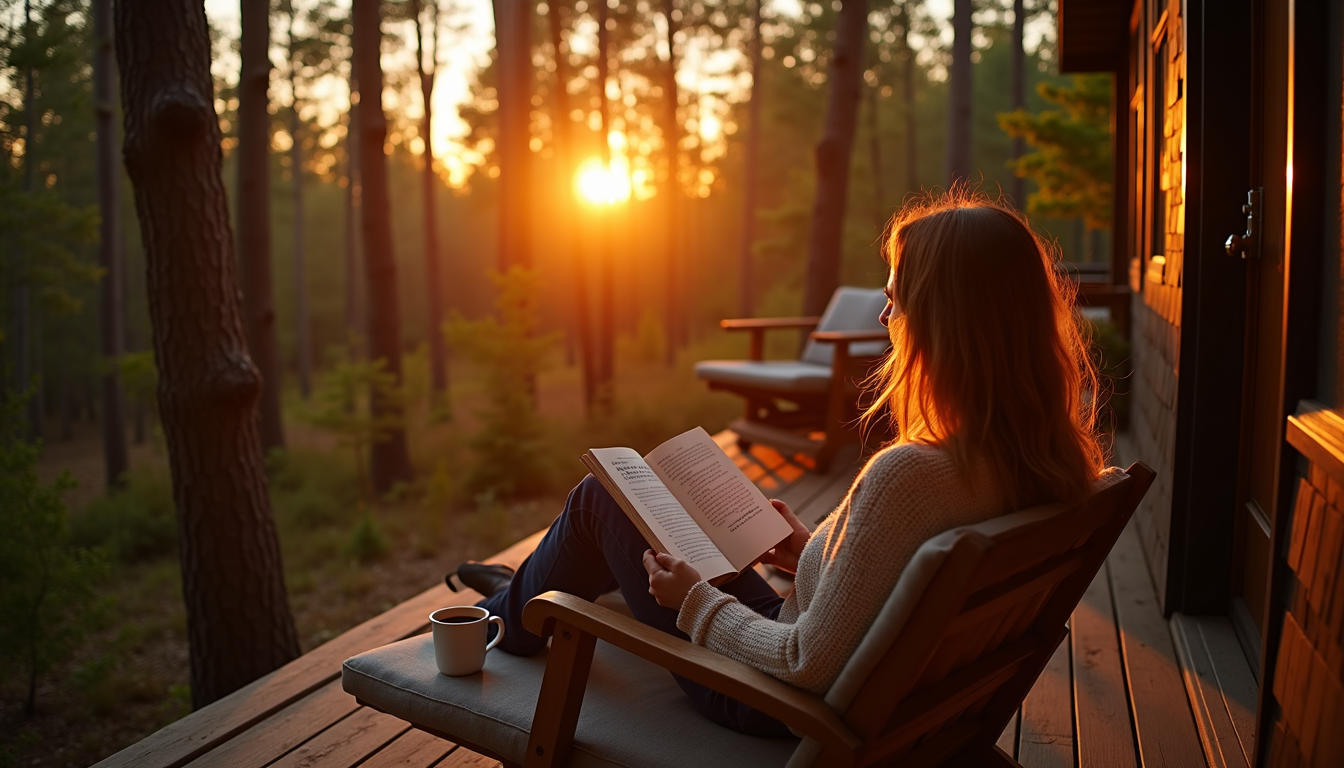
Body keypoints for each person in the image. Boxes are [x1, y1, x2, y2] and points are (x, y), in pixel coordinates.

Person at [446, 191, 1106, 737]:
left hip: (772, 701)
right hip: (868, 681)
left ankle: (506, 616)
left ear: (944, 322)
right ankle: (519, 590)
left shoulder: (911, 476)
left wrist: (692, 601)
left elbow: (804, 663)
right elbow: (890, 583)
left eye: (897, 298)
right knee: (647, 518)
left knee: (602, 499)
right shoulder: (1041, 462)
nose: (885, 315)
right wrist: (805, 550)